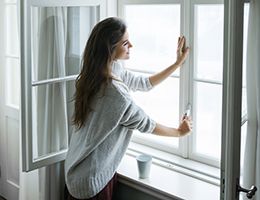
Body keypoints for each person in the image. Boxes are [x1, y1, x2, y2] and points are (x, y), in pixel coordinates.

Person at [64, 17, 191, 200]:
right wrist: (179, 132)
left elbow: (143, 83)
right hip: (90, 182)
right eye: (125, 42)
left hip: (77, 169)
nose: (131, 45)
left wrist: (177, 64)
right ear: (110, 48)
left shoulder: (98, 70)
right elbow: (146, 124)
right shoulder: (116, 95)